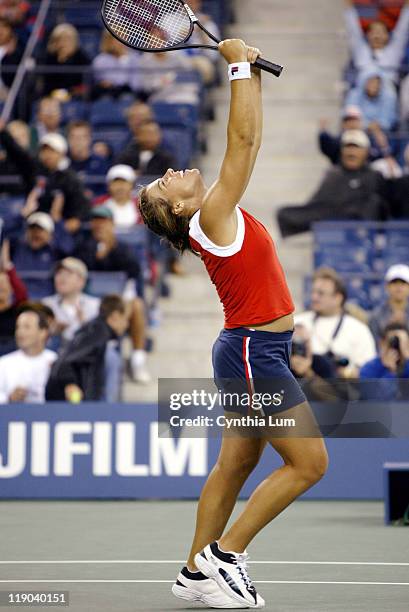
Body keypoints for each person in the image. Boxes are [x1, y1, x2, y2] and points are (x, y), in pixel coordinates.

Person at [139, 39, 328, 609]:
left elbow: (253, 138)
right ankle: (227, 555)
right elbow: (242, 142)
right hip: (253, 352)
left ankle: (194, 571)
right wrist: (238, 66)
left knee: (236, 462)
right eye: (162, 184)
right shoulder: (213, 212)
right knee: (310, 464)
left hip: (246, 349)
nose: (170, 172)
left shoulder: (215, 209)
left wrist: (253, 77)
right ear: (176, 209)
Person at [74, 206, 150, 382]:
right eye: (96, 221)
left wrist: (112, 249)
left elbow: (134, 271)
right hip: (90, 300)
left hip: (117, 300)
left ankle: (137, 360)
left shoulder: (122, 248)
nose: (99, 225)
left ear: (111, 224)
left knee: (137, 305)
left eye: (103, 221)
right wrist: (97, 254)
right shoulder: (83, 246)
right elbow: (78, 270)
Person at [277, 129, 390, 237]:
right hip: (335, 225)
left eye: (356, 147)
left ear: (366, 151)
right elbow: (317, 206)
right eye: (348, 147)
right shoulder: (334, 175)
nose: (351, 152)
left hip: (366, 233)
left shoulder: (375, 175)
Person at [0, 126, 90, 231]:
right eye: (44, 151)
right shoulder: (35, 171)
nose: (48, 155)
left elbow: (78, 213)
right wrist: (3, 133)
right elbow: (18, 154)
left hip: (59, 227)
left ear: (61, 153)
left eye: (52, 151)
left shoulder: (70, 179)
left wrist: (62, 227)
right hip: (34, 223)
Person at [295, 268, 376, 378]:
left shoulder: (358, 329)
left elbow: (367, 371)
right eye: (313, 292)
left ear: (338, 298)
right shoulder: (297, 322)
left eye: (321, 293)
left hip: (338, 391)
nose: (314, 297)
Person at [7, 211, 74, 298]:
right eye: (32, 229)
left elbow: (69, 249)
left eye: (40, 230)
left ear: (50, 234)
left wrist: (57, 224)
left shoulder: (55, 250)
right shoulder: (17, 247)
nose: (35, 234)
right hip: (18, 299)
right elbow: (5, 234)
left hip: (46, 299)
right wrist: (21, 216)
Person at [344, 0, 409, 86]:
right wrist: (349, 8)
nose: (377, 36)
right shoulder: (361, 51)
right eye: (374, 32)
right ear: (368, 35)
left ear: (387, 36)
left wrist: (407, 9)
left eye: (381, 32)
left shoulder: (394, 52)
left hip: (388, 94)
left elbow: (402, 31)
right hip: (362, 94)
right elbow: (353, 31)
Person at [0, 308, 57, 403]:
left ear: (43, 332)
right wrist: (10, 398)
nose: (20, 332)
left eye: (27, 327)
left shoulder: (55, 361)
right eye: (18, 327)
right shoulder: (4, 363)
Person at [42, 257, 100, 345]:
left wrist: (85, 326)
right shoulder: (46, 305)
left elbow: (102, 340)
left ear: (82, 281)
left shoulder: (95, 306)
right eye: (58, 273)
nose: (61, 277)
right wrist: (50, 332)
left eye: (68, 274)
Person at [360, 323, 409, 401]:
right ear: (381, 343)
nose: (397, 347)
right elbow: (375, 401)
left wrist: (406, 354)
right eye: (393, 341)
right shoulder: (369, 369)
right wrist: (390, 372)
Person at [41, 23, 90, 97]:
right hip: (52, 97)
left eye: (67, 40)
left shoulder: (82, 58)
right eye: (59, 40)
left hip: (76, 97)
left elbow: (85, 84)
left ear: (74, 41)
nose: (63, 43)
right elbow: (46, 85)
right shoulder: (49, 58)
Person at [91, 30, 143, 99]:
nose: (122, 42)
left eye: (124, 37)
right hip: (108, 95)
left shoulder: (135, 57)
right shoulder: (100, 60)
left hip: (132, 95)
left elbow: (136, 84)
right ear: (109, 41)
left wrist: (124, 59)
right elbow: (104, 82)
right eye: (118, 38)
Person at [67, 120, 110, 197]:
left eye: (81, 138)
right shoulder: (63, 162)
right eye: (73, 137)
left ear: (89, 139)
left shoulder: (100, 162)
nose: (77, 142)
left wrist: (94, 196)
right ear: (68, 140)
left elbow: (106, 189)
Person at [0, 240, 28, 356]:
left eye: (3, 285)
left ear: (11, 289)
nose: (0, 287)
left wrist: (8, 266)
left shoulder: (17, 310)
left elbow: (22, 293)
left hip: (11, 351)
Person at [93, 164, 142, 230]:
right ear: (109, 185)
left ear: (131, 185)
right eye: (116, 182)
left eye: (124, 182)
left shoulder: (141, 205)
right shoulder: (99, 204)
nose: (120, 187)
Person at [369, 264, 409, 343]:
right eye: (394, 283)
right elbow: (373, 344)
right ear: (387, 286)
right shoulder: (377, 315)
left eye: (403, 283)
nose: (399, 287)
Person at [0, 16, 23, 97]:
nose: (1, 30)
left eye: (4, 27)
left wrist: (12, 55)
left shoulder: (18, 51)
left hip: (7, 91)